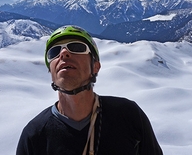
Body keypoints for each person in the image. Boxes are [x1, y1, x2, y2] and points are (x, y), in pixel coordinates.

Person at [17, 25, 163, 155]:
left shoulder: (129, 115)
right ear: (51, 70)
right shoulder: (34, 135)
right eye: (54, 52)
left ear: (95, 66)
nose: (63, 54)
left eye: (76, 47)